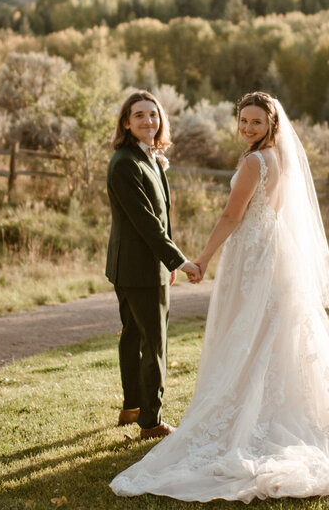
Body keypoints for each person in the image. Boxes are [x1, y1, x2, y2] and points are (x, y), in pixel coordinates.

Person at [110, 91, 329, 501]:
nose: (248, 128)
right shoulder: (282, 157)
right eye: (243, 121)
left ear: (272, 124)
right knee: (273, 333)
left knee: (251, 333)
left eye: (256, 122)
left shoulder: (255, 161)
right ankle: (270, 409)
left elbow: (231, 215)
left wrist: (199, 259)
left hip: (254, 256)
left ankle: (250, 418)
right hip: (275, 253)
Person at [106, 90, 202, 440]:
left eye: (153, 114)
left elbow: (162, 219)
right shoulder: (125, 164)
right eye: (139, 115)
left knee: (133, 337)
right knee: (154, 343)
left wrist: (169, 264)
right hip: (139, 270)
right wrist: (181, 260)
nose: (148, 121)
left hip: (142, 266)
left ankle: (132, 407)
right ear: (126, 123)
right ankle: (151, 421)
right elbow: (146, 222)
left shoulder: (148, 157)